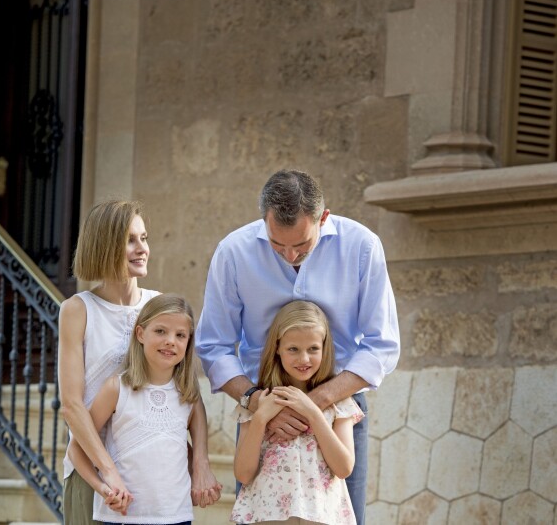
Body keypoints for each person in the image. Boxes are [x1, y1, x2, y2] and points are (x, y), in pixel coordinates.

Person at [196, 169, 400, 525]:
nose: (290, 255)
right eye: (278, 245)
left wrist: (317, 403)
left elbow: (382, 344)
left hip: (338, 408)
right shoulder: (233, 252)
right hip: (262, 409)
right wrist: (257, 402)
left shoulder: (362, 246)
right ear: (264, 220)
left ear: (323, 218)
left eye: (302, 245)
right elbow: (213, 346)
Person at [59, 199, 219, 524]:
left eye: (144, 238)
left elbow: (189, 395)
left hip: (153, 481)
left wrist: (199, 461)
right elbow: (72, 405)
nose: (142, 248)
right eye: (130, 240)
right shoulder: (78, 310)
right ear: (105, 245)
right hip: (96, 472)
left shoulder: (159, 305)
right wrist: (108, 472)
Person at [68, 293, 221, 524]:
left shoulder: (188, 396)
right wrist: (103, 488)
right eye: (160, 331)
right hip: (123, 518)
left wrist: (204, 477)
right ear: (140, 333)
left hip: (176, 517)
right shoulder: (117, 388)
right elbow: (76, 449)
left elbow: (177, 448)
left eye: (180, 335)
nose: (171, 340)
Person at [231, 300, 363, 525]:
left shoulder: (339, 404)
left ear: (324, 348)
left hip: (321, 517)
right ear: (277, 349)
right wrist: (262, 417)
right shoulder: (256, 403)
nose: (304, 359)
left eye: (313, 349)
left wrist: (313, 412)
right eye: (293, 349)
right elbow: (243, 474)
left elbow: (343, 468)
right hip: (267, 517)